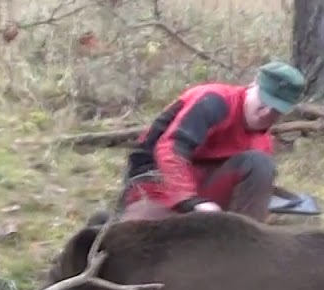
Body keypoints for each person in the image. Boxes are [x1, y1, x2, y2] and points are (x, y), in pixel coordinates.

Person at [115, 60, 307, 223]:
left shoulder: (261, 143)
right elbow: (171, 149)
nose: (266, 113)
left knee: (260, 165)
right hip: (155, 183)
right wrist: (192, 201)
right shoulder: (214, 102)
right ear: (253, 85)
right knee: (145, 238)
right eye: (263, 103)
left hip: (205, 193)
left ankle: (241, 244)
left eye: (275, 111)